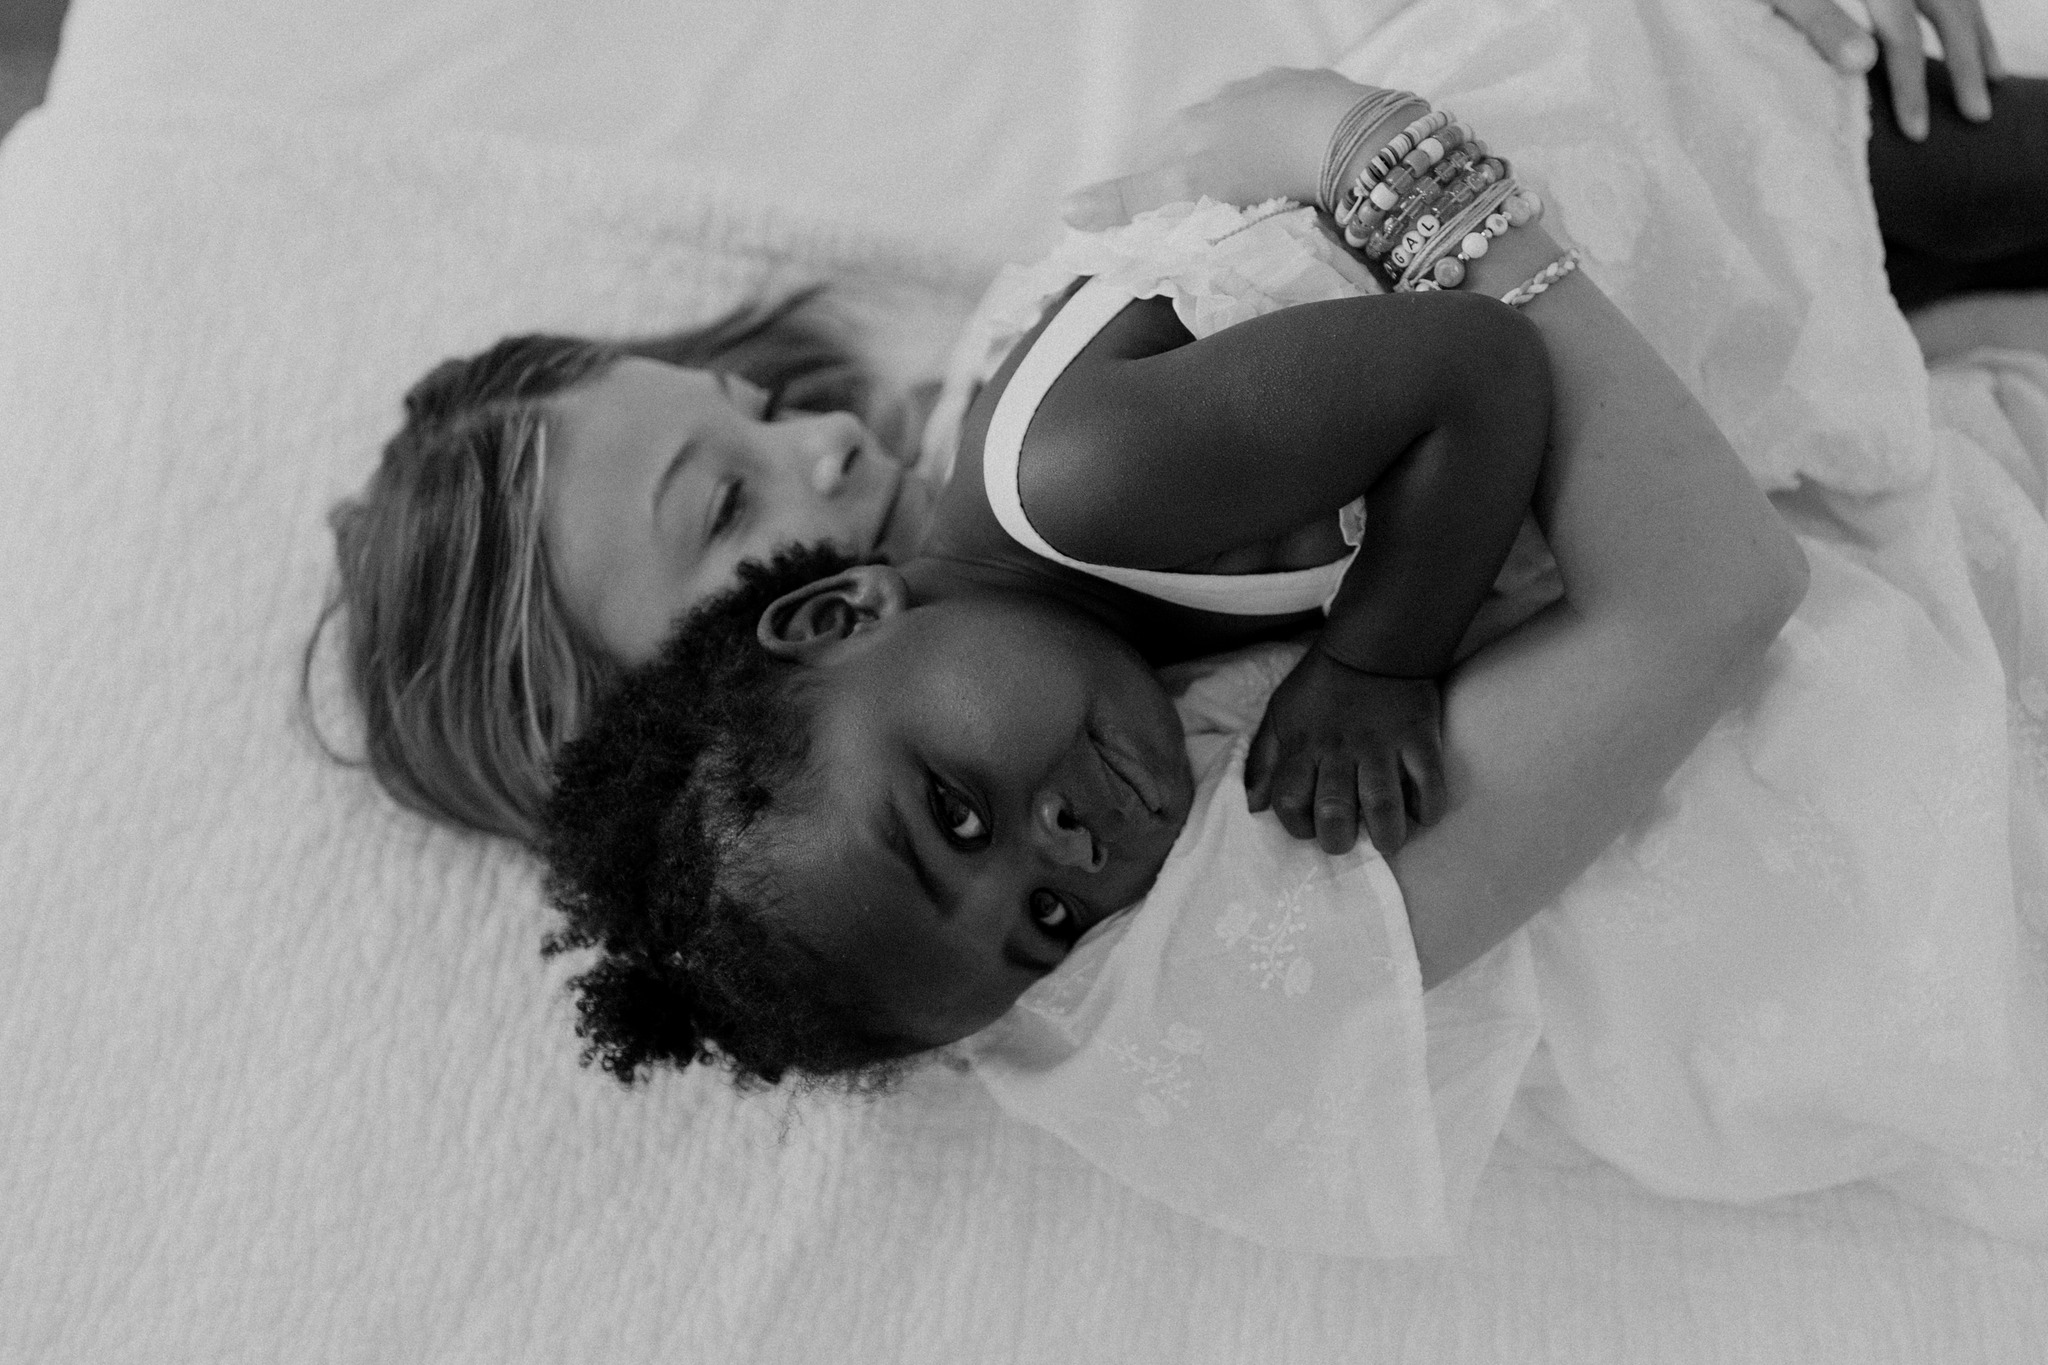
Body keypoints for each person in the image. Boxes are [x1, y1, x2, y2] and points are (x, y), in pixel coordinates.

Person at [539, 69, 1811, 1086]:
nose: (1070, 851)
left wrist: (1376, 660)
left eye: (957, 817)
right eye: (1046, 921)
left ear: (839, 615)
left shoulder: (1077, 481)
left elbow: (1473, 370)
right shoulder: (1086, 623)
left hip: (1643, 137)